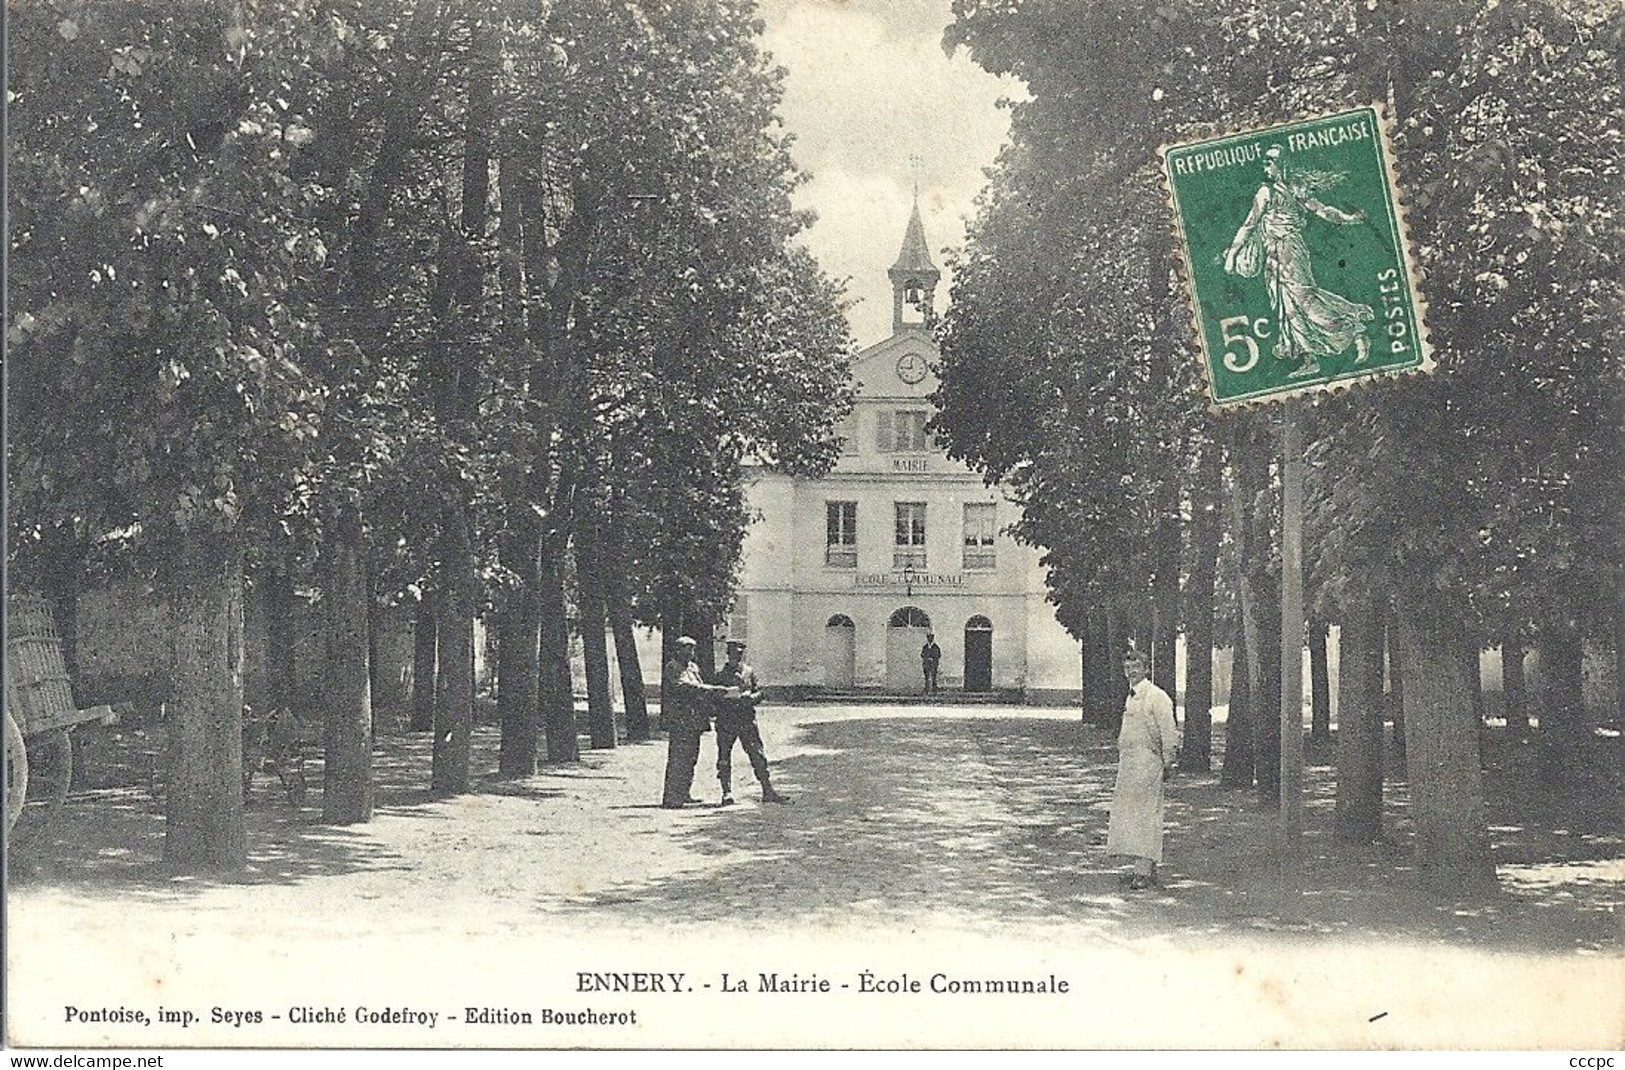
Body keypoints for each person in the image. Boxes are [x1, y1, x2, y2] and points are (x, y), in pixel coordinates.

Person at [1222, 144, 1374, 379]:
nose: (1266, 165)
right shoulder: (1276, 190)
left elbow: (1321, 211)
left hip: (1289, 251)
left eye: (1270, 161)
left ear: (1281, 164)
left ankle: (1353, 332)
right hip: (1277, 253)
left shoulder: (1280, 191)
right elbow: (1251, 224)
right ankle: (1308, 358)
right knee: (1287, 304)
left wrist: (1349, 219)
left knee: (1303, 301)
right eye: (1265, 160)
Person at [1105, 646, 1180, 891]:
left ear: (1146, 669)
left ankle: (1143, 872)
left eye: (1135, 668)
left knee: (1147, 815)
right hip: (1130, 765)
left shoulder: (1156, 696)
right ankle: (1144, 866)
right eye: (1127, 668)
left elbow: (1168, 733)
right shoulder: (1132, 696)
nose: (1131, 672)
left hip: (1148, 764)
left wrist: (1169, 761)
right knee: (1131, 816)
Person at [660, 636, 735, 809]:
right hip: (680, 720)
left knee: (691, 757)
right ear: (678, 651)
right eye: (687, 649)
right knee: (678, 758)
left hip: (694, 719)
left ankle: (684, 793)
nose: (690, 653)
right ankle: (672, 797)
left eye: (692, 649)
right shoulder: (673, 667)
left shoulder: (693, 667)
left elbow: (699, 687)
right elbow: (683, 687)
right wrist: (711, 689)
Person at [713, 640, 790, 806]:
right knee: (724, 757)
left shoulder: (749, 672)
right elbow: (713, 698)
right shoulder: (720, 675)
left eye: (740, 653)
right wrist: (727, 698)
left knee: (758, 754)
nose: (738, 655)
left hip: (747, 720)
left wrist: (752, 697)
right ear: (728, 654)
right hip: (727, 720)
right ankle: (726, 792)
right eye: (735, 653)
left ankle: (767, 790)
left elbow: (760, 692)